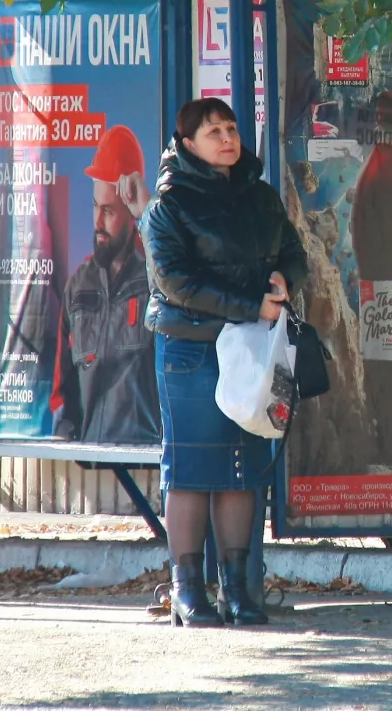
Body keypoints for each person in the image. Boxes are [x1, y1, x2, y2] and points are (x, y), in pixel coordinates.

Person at [140, 98, 308, 628]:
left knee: (242, 465)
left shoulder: (258, 195)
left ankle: (238, 590)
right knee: (191, 471)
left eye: (231, 128)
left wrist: (284, 279)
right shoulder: (167, 205)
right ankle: (189, 592)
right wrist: (249, 304)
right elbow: (176, 283)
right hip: (191, 347)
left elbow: (293, 252)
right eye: (213, 131)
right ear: (187, 144)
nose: (227, 138)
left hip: (254, 346)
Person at [54, 124, 159, 445]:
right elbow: (63, 387)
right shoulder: (79, 285)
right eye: (95, 207)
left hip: (147, 465)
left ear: (131, 211)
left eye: (109, 211)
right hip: (88, 470)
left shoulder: (157, 278)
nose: (98, 222)